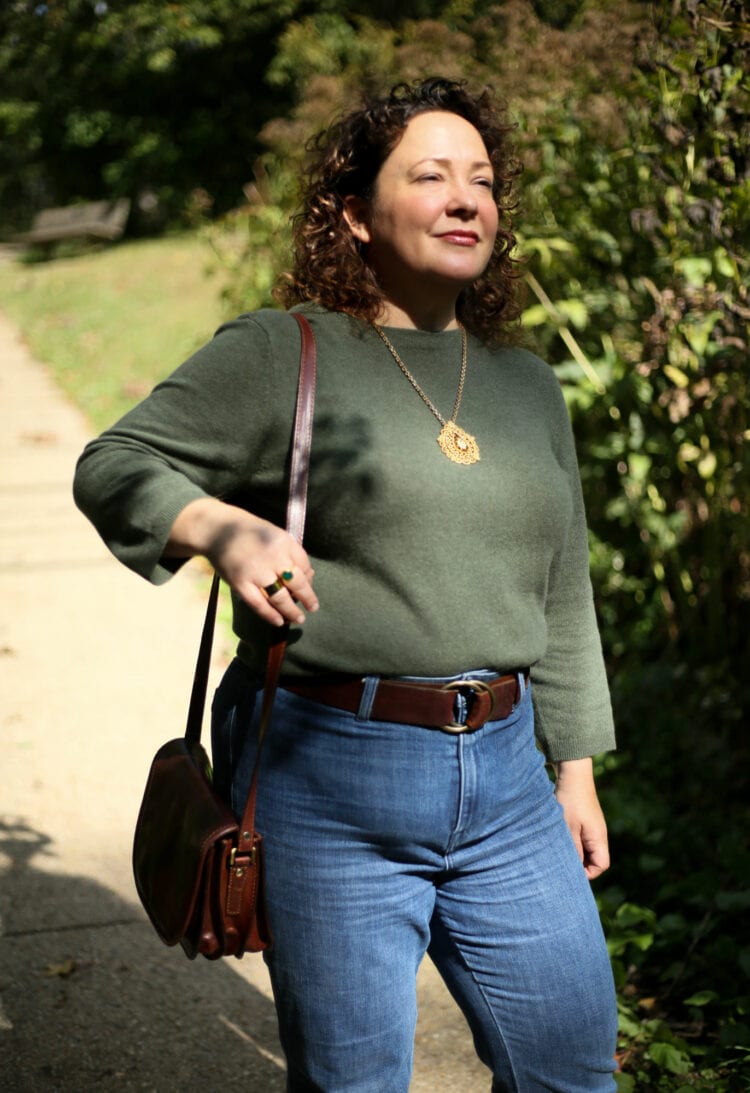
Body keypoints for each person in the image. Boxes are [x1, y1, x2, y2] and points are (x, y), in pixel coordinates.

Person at [74, 77, 618, 1092]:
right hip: (331, 783)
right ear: (357, 215)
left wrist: (574, 770)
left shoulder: (524, 381)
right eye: (432, 176)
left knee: (572, 1071)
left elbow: (564, 581)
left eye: (484, 181)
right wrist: (221, 527)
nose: (468, 199)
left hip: (506, 785)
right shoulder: (284, 352)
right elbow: (114, 462)